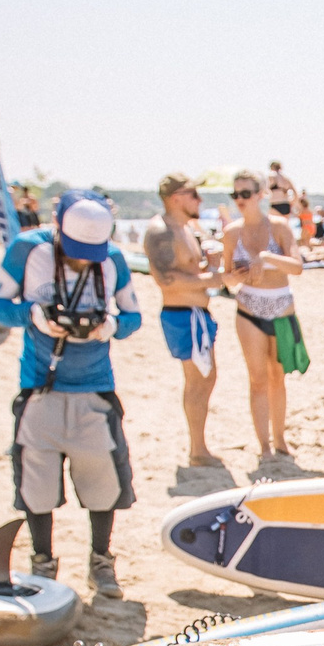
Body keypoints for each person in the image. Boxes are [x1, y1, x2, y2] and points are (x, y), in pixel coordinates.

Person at [0, 190, 142, 598]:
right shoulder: (27, 250)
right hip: (40, 385)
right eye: (75, 251)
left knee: (103, 484)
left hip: (95, 389)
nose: (84, 259)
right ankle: (42, 564)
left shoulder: (114, 260)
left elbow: (133, 317)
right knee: (36, 487)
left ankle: (101, 563)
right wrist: (31, 315)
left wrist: (109, 327)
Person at [143, 173, 232, 468]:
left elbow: (190, 272)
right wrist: (214, 277)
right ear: (176, 197)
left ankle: (200, 447)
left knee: (206, 379)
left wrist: (212, 266)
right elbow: (166, 280)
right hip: (183, 315)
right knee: (197, 382)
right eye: (194, 194)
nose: (200, 200)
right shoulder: (161, 230)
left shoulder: (183, 228)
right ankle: (197, 451)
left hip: (195, 314)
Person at [219, 170, 309, 461]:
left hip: (281, 308)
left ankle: (281, 440)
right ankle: (264, 446)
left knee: (277, 377)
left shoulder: (279, 227)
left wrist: (266, 258)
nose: (240, 200)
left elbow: (296, 267)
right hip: (248, 309)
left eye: (246, 193)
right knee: (257, 379)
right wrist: (237, 275)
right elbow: (227, 280)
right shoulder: (232, 232)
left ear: (260, 195)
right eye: (235, 194)